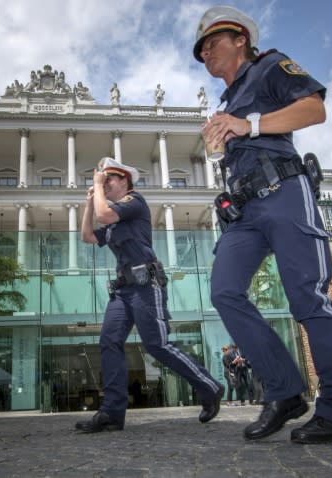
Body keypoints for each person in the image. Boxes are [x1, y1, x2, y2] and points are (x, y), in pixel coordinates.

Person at [194, 6, 332, 444]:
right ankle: (285, 391)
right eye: (202, 48)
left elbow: (313, 109)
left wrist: (246, 125)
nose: (206, 51)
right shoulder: (225, 103)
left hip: (284, 192)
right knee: (225, 291)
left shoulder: (270, 65)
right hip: (245, 210)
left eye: (214, 41)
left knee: (306, 297)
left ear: (240, 41)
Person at [75, 157, 224, 433]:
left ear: (124, 181)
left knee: (158, 344)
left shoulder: (134, 202)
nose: (105, 184)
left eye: (109, 180)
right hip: (123, 290)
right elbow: (87, 236)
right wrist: (88, 203)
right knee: (109, 341)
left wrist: (96, 187)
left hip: (145, 284)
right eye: (103, 180)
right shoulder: (112, 220)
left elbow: (105, 214)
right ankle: (112, 412)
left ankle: (210, 387)